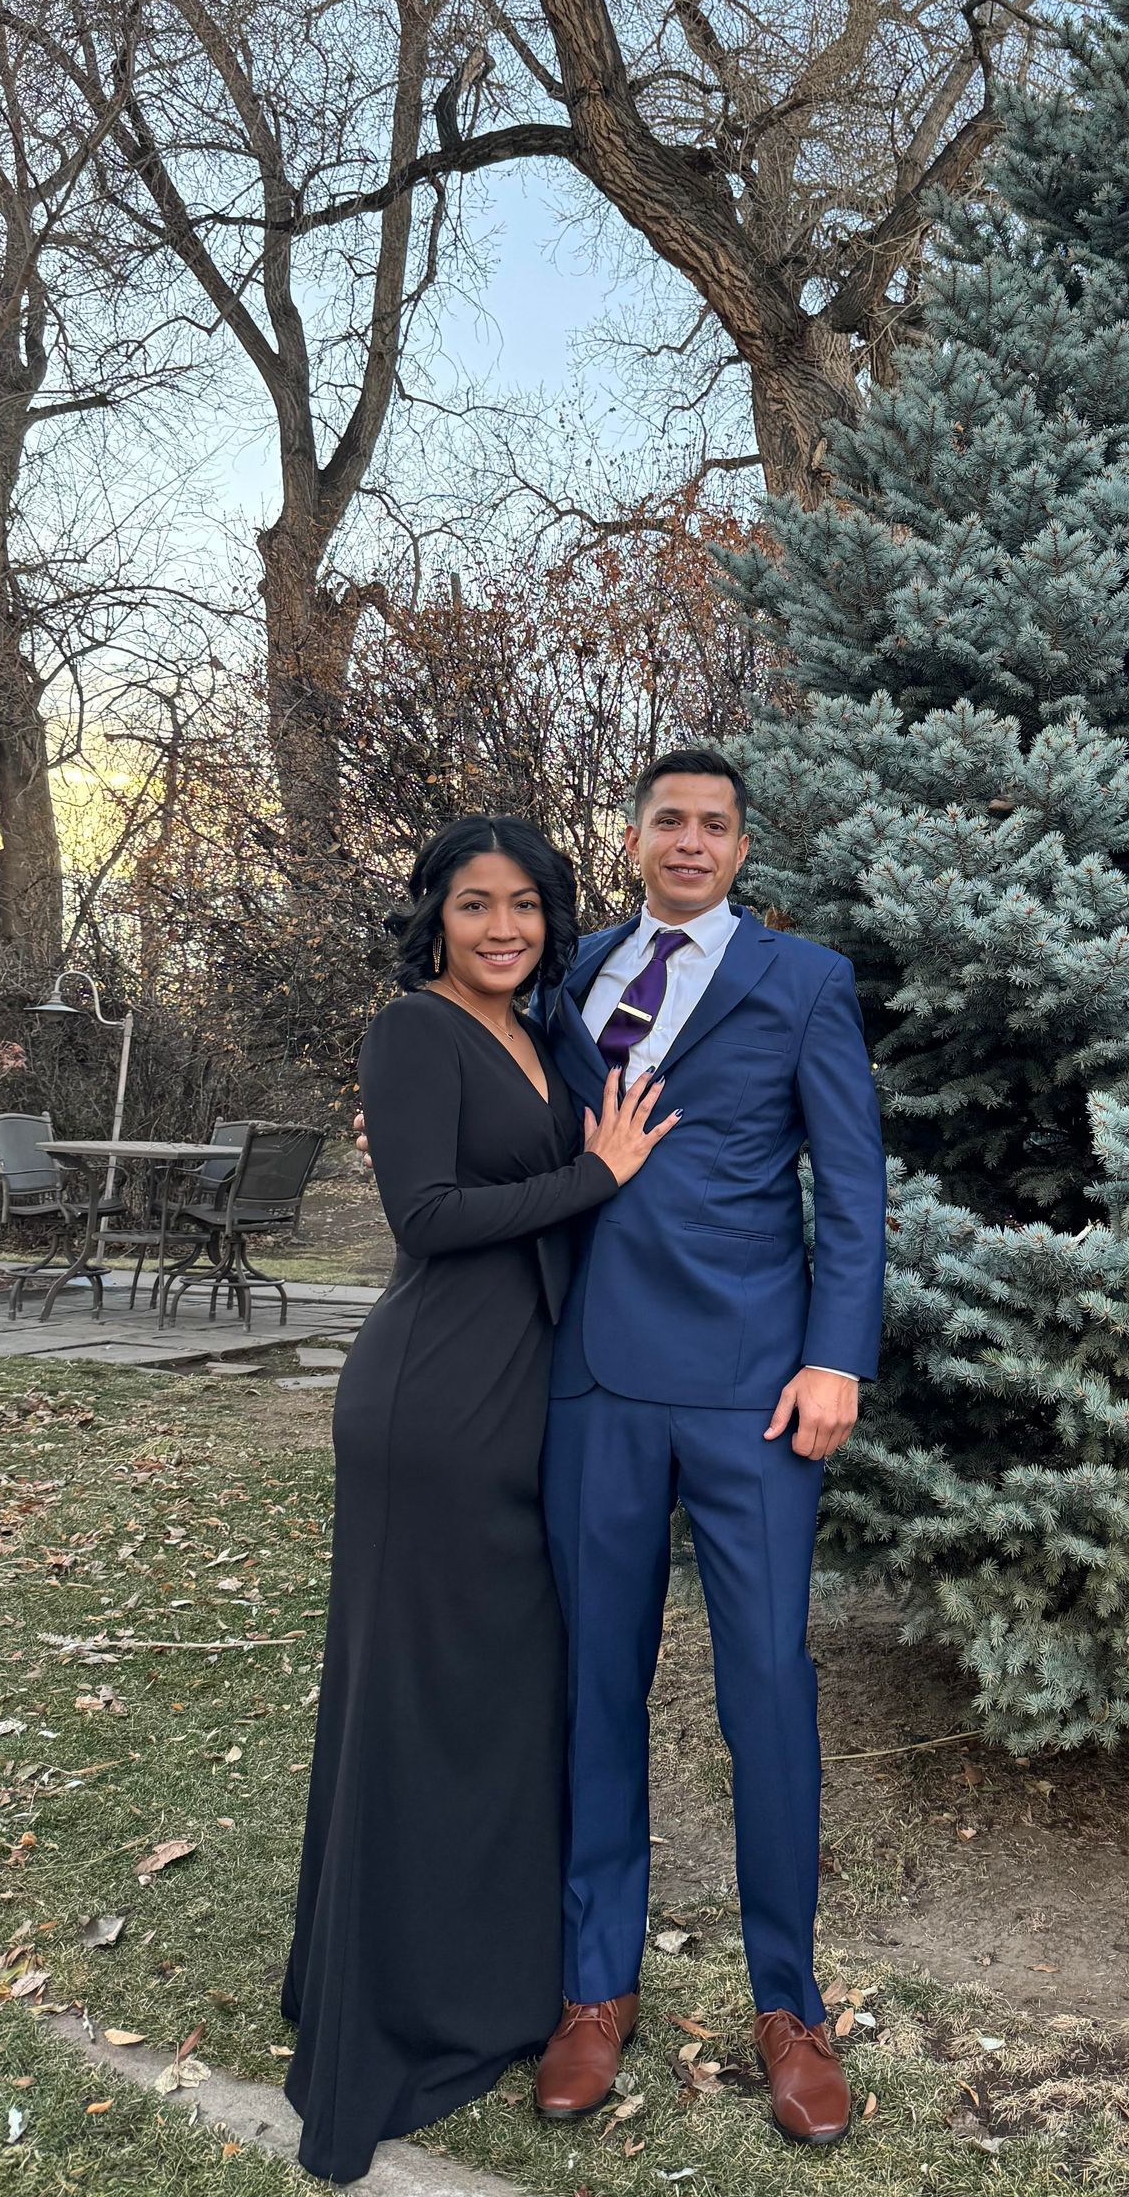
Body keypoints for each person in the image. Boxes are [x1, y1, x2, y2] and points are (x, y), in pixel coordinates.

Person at [284, 815, 674, 2186]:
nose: (501, 927)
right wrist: (593, 1174)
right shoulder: (414, 1032)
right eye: (474, 906)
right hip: (434, 1402)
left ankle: (490, 1987)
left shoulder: (543, 1030)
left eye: (525, 906)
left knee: (501, 1698)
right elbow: (427, 1213)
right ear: (435, 918)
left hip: (528, 1403)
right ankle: (387, 2009)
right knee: (417, 1698)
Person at [528, 747, 886, 2148]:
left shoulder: (804, 984)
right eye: (667, 819)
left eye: (715, 824)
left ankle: (786, 2006)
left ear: (743, 849)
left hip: (754, 1391)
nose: (690, 840)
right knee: (595, 1689)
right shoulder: (580, 975)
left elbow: (849, 1186)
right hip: (599, 1383)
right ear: (632, 839)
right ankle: (591, 1989)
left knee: (765, 1694)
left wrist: (837, 1354)